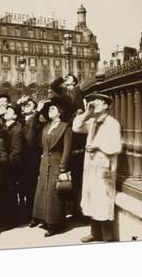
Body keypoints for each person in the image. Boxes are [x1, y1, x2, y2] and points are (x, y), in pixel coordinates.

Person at [73, 93, 122, 243]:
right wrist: (87, 113)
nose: (95, 104)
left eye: (99, 102)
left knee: (103, 200)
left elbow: (116, 146)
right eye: (94, 102)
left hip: (104, 167)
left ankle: (107, 236)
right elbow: (76, 127)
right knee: (91, 197)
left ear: (107, 105)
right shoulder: (93, 121)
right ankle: (95, 233)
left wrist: (98, 146)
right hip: (91, 167)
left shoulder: (112, 123)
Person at [31, 97, 73, 236]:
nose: (50, 110)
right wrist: (37, 112)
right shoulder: (46, 126)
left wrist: (63, 168)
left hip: (57, 162)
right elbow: (33, 127)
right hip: (44, 164)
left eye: (53, 108)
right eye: (49, 109)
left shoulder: (65, 127)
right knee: (43, 192)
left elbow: (67, 149)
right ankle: (44, 219)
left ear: (60, 112)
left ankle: (55, 223)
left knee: (55, 194)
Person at [51, 73, 86, 217]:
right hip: (66, 127)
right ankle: (67, 206)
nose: (68, 79)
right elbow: (53, 86)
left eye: (70, 77)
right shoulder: (63, 92)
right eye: (66, 79)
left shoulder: (79, 91)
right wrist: (62, 79)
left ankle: (76, 207)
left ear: (75, 80)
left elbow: (81, 107)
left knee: (76, 174)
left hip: (76, 130)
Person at [1, 103, 27, 228]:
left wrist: (6, 165)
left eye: (9, 111)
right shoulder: (5, 127)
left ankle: (13, 220)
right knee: (6, 193)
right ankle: (8, 218)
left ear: (15, 115)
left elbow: (16, 153)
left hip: (12, 168)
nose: (6, 112)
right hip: (5, 165)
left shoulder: (17, 129)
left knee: (12, 193)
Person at [17, 96, 43, 223]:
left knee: (31, 187)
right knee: (22, 188)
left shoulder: (36, 120)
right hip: (20, 159)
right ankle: (24, 213)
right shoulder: (20, 120)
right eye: (24, 105)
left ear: (34, 109)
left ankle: (33, 215)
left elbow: (32, 134)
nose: (25, 106)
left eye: (29, 105)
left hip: (32, 158)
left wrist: (37, 111)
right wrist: (18, 103)